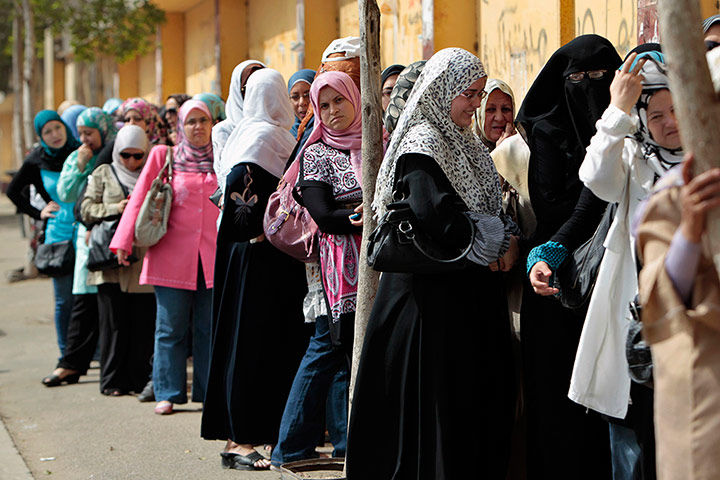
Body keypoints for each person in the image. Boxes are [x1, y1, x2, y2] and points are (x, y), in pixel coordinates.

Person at [347, 47, 520, 478]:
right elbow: (436, 216)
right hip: (428, 302)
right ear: (442, 91)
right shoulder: (423, 142)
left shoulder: (463, 142)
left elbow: (485, 208)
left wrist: (496, 236)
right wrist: (495, 241)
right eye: (469, 94)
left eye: (480, 94)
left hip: (464, 295)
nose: (476, 105)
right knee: (434, 406)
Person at [515, 34, 622, 478]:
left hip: (617, 268)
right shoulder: (549, 129)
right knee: (559, 387)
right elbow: (552, 204)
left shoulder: (632, 128)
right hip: (559, 274)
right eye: (577, 78)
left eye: (600, 77)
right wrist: (603, 195)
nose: (588, 86)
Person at [570, 46, 674, 480]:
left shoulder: (708, 159)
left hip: (694, 322)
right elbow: (594, 177)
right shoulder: (634, 161)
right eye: (657, 115)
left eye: (677, 110)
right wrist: (617, 110)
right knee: (629, 450)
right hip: (635, 324)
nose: (670, 123)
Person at [201, 68, 311, 471]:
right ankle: (238, 439)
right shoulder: (261, 137)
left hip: (261, 258)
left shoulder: (275, 135)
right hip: (253, 258)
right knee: (246, 341)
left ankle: (255, 431)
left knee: (265, 341)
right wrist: (255, 232)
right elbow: (237, 194)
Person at [270, 70, 360, 470]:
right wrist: (362, 217)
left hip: (378, 266)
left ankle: (347, 444)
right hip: (336, 271)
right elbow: (324, 215)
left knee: (348, 355)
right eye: (324, 106)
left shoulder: (377, 143)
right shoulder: (316, 152)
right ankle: (288, 448)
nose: (332, 111)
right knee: (326, 347)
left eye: (338, 101)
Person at [110, 99, 218, 415]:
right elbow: (141, 197)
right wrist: (123, 241)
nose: (198, 127)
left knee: (207, 329)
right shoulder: (164, 155)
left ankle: (206, 392)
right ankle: (167, 392)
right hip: (170, 257)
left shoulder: (221, 155)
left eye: (204, 120)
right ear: (179, 127)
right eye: (191, 122)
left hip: (211, 259)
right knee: (169, 328)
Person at [80, 124, 156, 397]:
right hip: (109, 263)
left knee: (141, 324)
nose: (132, 162)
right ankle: (112, 380)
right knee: (113, 324)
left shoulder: (154, 174)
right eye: (126, 155)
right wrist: (116, 208)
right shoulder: (103, 173)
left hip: (141, 262)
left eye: (138, 156)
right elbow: (86, 208)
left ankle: (138, 380)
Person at [6, 110, 81, 362]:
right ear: (41, 136)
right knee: (64, 300)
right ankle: (66, 353)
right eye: (47, 131)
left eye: (57, 128)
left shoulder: (80, 151)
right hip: (57, 235)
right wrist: (39, 212)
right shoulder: (36, 160)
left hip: (84, 232)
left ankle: (92, 352)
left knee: (86, 297)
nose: (55, 135)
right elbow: (14, 192)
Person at [212, 60, 266, 195]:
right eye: (247, 87)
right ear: (237, 90)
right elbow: (224, 178)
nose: (254, 92)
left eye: (260, 86)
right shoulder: (224, 130)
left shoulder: (280, 126)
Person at [288, 68, 316, 146]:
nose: (302, 102)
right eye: (295, 97)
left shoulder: (330, 132)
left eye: (307, 95)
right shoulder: (286, 136)